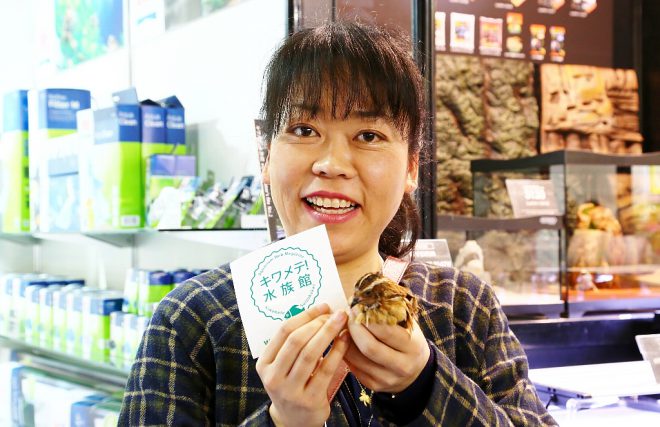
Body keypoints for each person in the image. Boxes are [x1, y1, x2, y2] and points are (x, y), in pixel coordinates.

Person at [119, 21, 557, 426]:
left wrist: (425, 385)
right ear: (267, 156)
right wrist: (284, 421)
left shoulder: (462, 307)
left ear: (411, 168)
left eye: (368, 135)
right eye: (304, 130)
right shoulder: (193, 321)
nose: (331, 163)